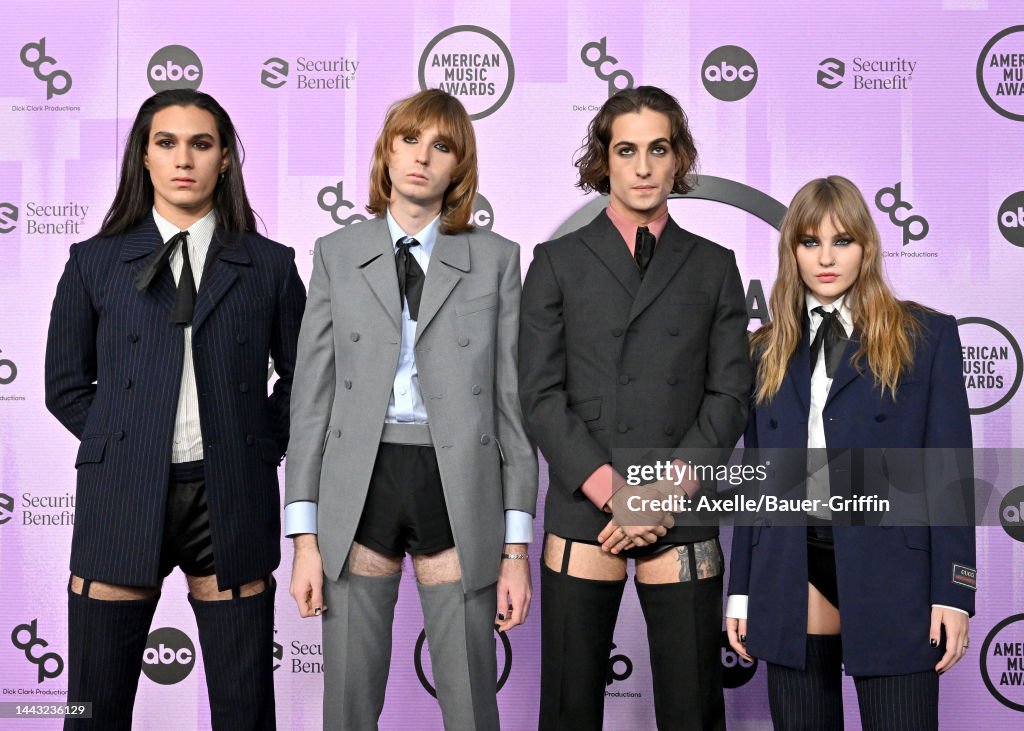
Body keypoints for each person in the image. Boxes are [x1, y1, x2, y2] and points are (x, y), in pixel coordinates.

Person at [45, 89, 305, 729]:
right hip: (123, 495)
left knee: (245, 712)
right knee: (92, 708)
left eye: (201, 143)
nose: (183, 158)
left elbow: (306, 381)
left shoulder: (271, 266)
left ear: (224, 161)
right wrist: (125, 444)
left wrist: (255, 445)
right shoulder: (94, 261)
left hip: (230, 496)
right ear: (143, 157)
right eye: (166, 143)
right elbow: (65, 384)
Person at [285, 89, 537, 730]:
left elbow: (512, 412)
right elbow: (311, 403)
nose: (422, 157)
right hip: (358, 487)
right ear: (386, 152)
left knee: (471, 700)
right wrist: (305, 538)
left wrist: (515, 551)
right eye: (408, 140)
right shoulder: (335, 255)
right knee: (347, 701)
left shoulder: (498, 259)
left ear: (460, 167)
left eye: (441, 146)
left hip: (457, 487)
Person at [518, 85, 751, 730]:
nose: (644, 167)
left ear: (678, 159)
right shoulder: (557, 262)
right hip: (585, 507)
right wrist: (613, 492)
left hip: (680, 506)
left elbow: (729, 395)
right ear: (605, 161)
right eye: (627, 150)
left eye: (659, 149)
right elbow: (539, 394)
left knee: (693, 711)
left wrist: (657, 496)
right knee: (568, 710)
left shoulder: (715, 266)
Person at [726, 175, 975, 730]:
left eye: (843, 241)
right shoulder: (765, 349)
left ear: (866, 245)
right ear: (792, 250)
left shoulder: (926, 336)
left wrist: (954, 593)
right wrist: (741, 590)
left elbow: (949, 475)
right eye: (810, 242)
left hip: (894, 575)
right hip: (790, 570)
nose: (827, 258)